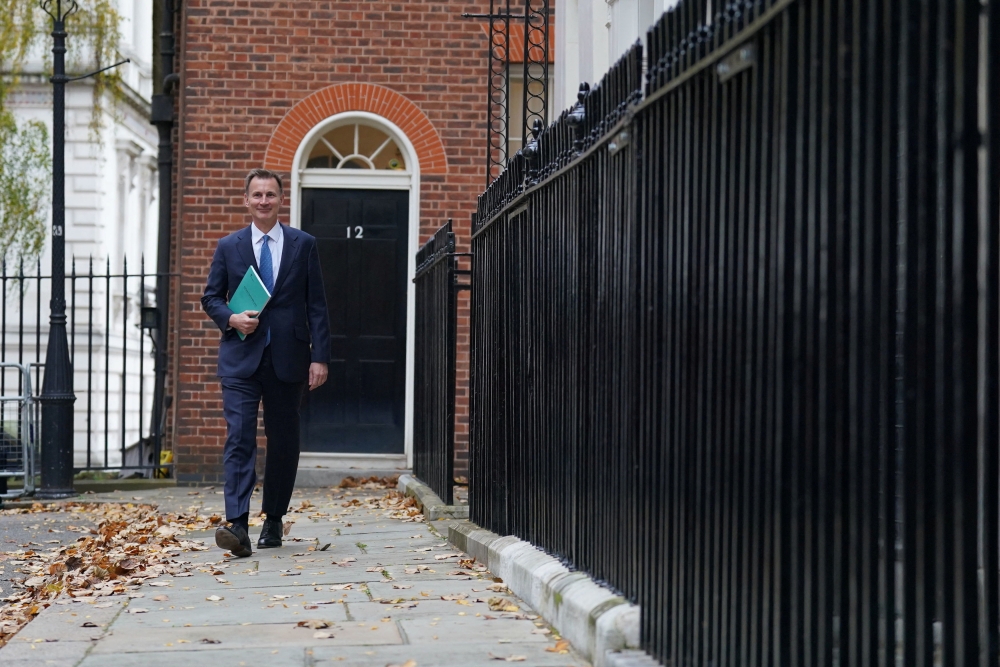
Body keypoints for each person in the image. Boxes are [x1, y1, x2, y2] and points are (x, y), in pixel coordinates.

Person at [201, 168, 331, 557]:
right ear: (246, 200)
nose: (263, 201)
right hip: (241, 357)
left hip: (288, 359)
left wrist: (320, 357)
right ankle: (237, 523)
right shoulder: (229, 246)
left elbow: (317, 305)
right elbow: (211, 297)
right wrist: (230, 318)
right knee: (239, 437)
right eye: (256, 195)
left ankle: (273, 519)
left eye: (270, 195)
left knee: (283, 441)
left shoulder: (302, 244)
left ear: (280, 199)